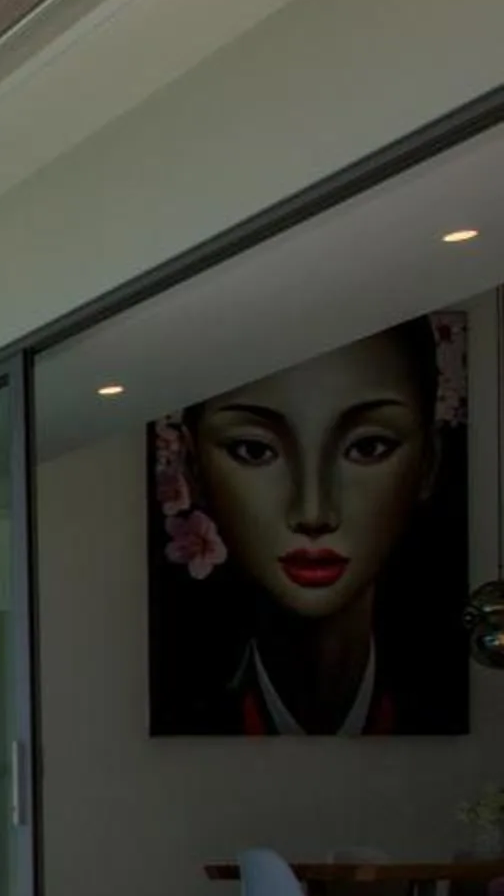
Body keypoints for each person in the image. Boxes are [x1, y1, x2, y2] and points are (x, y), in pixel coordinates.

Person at [150, 314, 466, 736]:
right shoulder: (187, 711)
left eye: (368, 446)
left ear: (429, 462)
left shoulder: (442, 709)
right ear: (191, 467)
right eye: (254, 449)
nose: (313, 513)